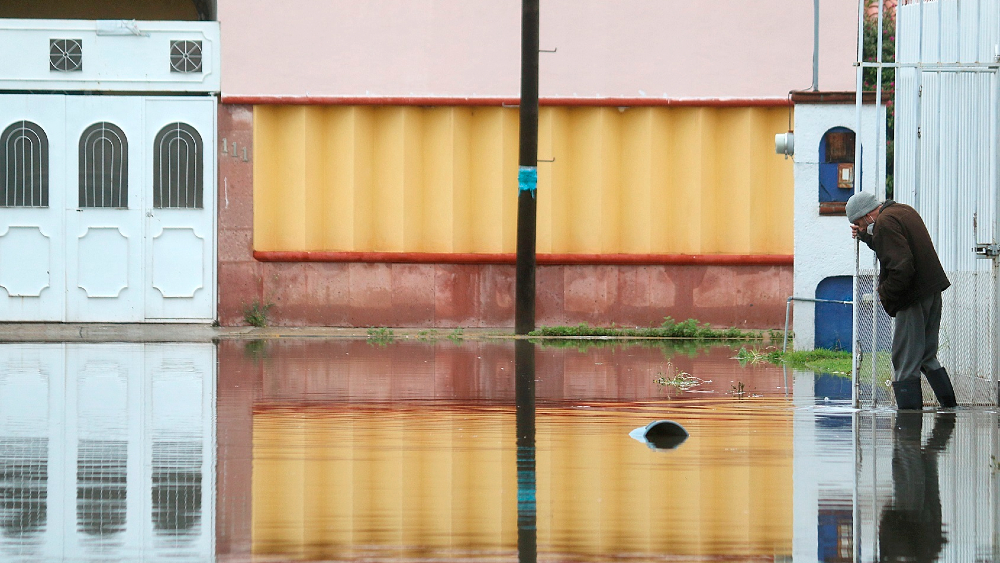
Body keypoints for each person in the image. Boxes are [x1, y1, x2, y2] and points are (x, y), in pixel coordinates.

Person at [846, 191, 957, 409]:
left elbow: (901, 265)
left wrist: (884, 293)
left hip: (912, 297)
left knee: (905, 360)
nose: (863, 225)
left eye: (860, 222)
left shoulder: (884, 223)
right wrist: (865, 235)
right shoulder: (903, 211)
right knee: (927, 356)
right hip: (931, 291)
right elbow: (891, 245)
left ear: (867, 214)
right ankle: (950, 407)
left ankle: (908, 423)